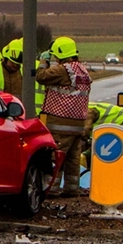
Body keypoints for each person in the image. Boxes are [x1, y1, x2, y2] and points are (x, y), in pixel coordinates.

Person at [37, 36, 92, 197]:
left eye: (55, 55)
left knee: (56, 157)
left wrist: (43, 62)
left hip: (60, 123)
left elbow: (41, 77)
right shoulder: (82, 70)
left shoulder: (63, 70)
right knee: (73, 159)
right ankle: (71, 188)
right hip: (78, 124)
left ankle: (52, 188)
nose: (54, 58)